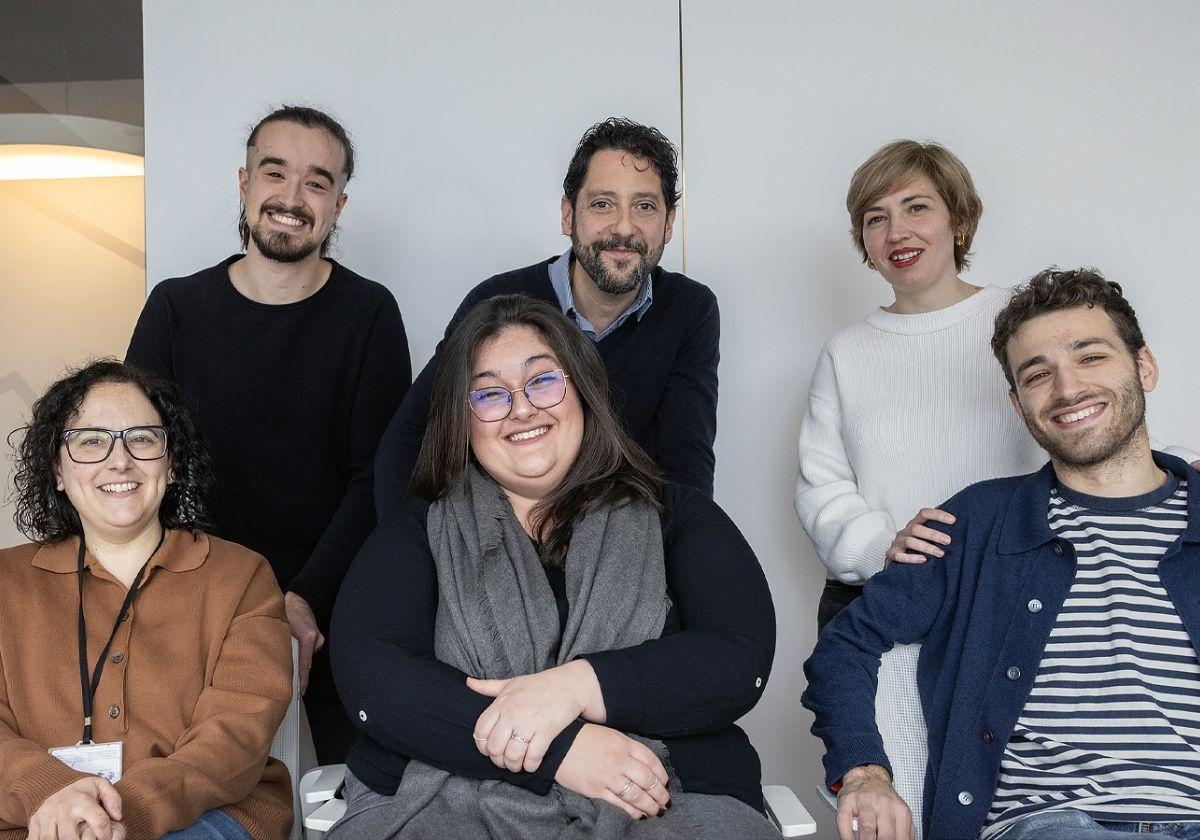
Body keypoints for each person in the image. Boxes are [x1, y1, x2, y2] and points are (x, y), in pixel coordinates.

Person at [793, 140, 1198, 833]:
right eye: (875, 217)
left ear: (958, 218)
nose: (1066, 386)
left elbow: (1109, 436)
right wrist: (884, 543)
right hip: (958, 564)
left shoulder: (1023, 315)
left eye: (916, 206)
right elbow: (822, 486)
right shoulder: (851, 354)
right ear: (1017, 398)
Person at [329, 295, 774, 839]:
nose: (521, 409)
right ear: (463, 422)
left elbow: (736, 659)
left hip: (669, 801)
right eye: (490, 394)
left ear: (583, 390)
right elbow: (374, 679)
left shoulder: (677, 517)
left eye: (542, 381)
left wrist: (573, 689)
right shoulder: (417, 534)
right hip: (449, 807)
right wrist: (561, 751)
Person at [125, 105, 411, 764]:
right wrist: (227, 600)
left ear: (338, 204)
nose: (291, 197)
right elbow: (143, 467)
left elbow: (380, 479)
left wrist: (302, 600)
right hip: (193, 599)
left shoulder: (370, 314)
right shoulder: (175, 308)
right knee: (188, 790)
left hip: (333, 604)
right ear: (244, 183)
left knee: (328, 804)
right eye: (274, 173)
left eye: (316, 182)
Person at [1, 360, 291, 840]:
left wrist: (121, 813)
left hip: (206, 817)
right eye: (91, 440)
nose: (120, 461)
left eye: (142, 438)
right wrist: (50, 793)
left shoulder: (242, 576)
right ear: (56, 470)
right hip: (34, 821)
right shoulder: (7, 581)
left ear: (171, 462)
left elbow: (234, 737)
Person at [373, 117, 719, 516]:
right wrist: (406, 552)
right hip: (501, 534)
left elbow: (686, 469)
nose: (624, 227)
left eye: (644, 206)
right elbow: (412, 437)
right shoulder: (497, 302)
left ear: (669, 223)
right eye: (602, 204)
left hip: (622, 542)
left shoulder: (690, 310)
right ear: (567, 215)